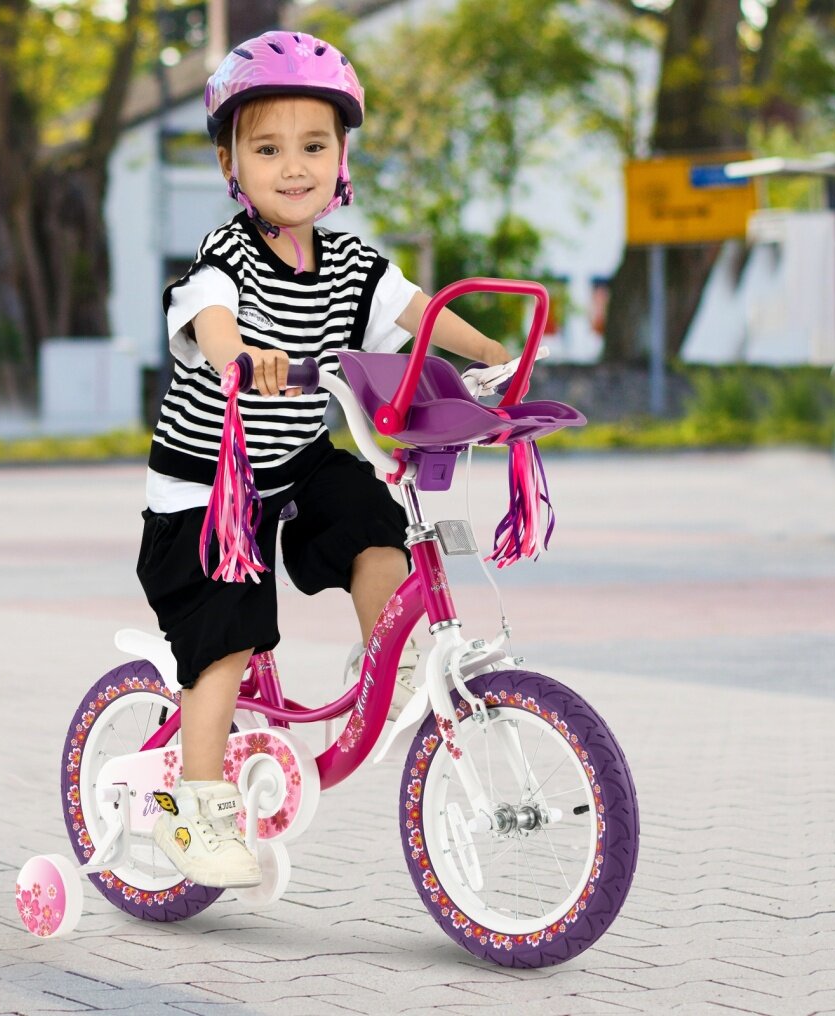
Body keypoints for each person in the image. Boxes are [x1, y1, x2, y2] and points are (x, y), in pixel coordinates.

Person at [137, 30, 510, 889]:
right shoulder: (228, 255)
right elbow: (210, 316)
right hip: (210, 486)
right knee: (226, 636)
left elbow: (417, 310)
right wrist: (241, 356)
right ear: (232, 163)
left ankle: (394, 658)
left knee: (371, 517)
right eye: (268, 148)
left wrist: (495, 353)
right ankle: (195, 809)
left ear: (342, 158)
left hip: (296, 461)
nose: (293, 166)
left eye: (314, 145)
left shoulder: (348, 262)